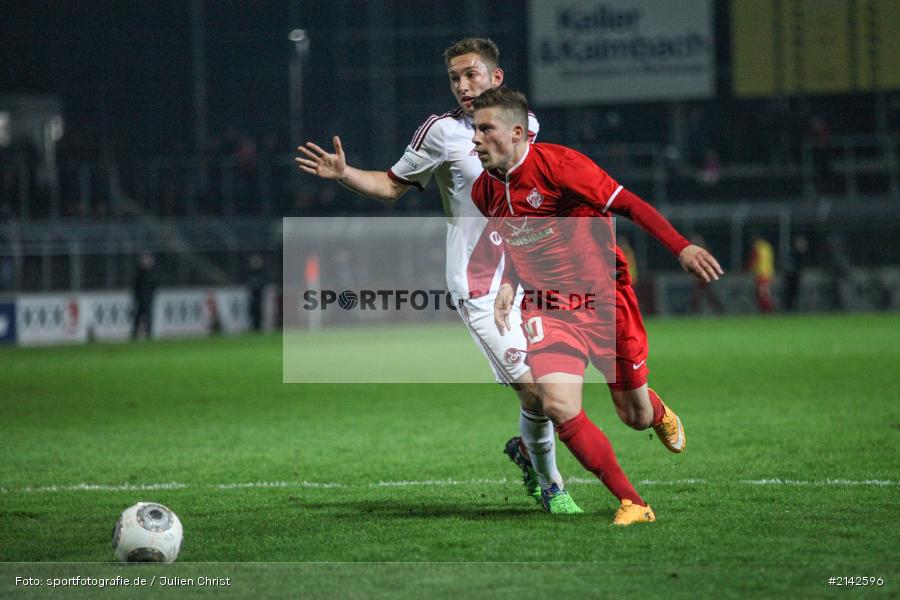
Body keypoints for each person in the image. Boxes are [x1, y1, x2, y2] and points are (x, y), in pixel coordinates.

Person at [295, 38, 579, 513]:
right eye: (454, 78)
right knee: (538, 391)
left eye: (471, 75)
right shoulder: (441, 133)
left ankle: (528, 453)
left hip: (524, 278)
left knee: (546, 393)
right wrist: (345, 174)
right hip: (477, 286)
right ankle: (553, 486)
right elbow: (390, 185)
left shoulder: (525, 124)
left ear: (496, 78)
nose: (463, 86)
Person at [469, 88, 723, 525]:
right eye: (474, 129)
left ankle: (656, 410)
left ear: (515, 132)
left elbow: (629, 203)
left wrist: (680, 248)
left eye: (484, 128)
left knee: (634, 415)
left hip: (604, 300)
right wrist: (510, 281)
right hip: (547, 308)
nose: (475, 139)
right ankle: (633, 502)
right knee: (558, 404)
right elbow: (518, 235)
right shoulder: (484, 190)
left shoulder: (562, 167)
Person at [131, 253, 157, 340]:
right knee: (139, 315)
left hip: (148, 297)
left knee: (148, 315)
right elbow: (135, 285)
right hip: (140, 298)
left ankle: (148, 333)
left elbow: (155, 284)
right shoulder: (140, 272)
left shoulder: (152, 272)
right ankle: (135, 333)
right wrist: (136, 297)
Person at [747, 235, 775, 312]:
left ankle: (767, 310)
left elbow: (755, 259)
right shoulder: (767, 246)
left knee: (762, 293)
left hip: (761, 273)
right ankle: (767, 310)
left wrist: (749, 269)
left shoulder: (757, 247)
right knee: (765, 292)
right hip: (768, 272)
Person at [783, 235, 809, 312]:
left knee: (794, 294)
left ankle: (792, 308)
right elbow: (790, 266)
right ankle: (788, 308)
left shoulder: (801, 254)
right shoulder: (794, 253)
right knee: (790, 293)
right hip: (791, 277)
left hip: (795, 276)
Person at [245, 253, 269, 331]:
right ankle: (253, 326)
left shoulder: (263, 271)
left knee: (260, 311)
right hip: (252, 295)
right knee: (252, 311)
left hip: (260, 295)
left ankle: (259, 327)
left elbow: (265, 281)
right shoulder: (249, 271)